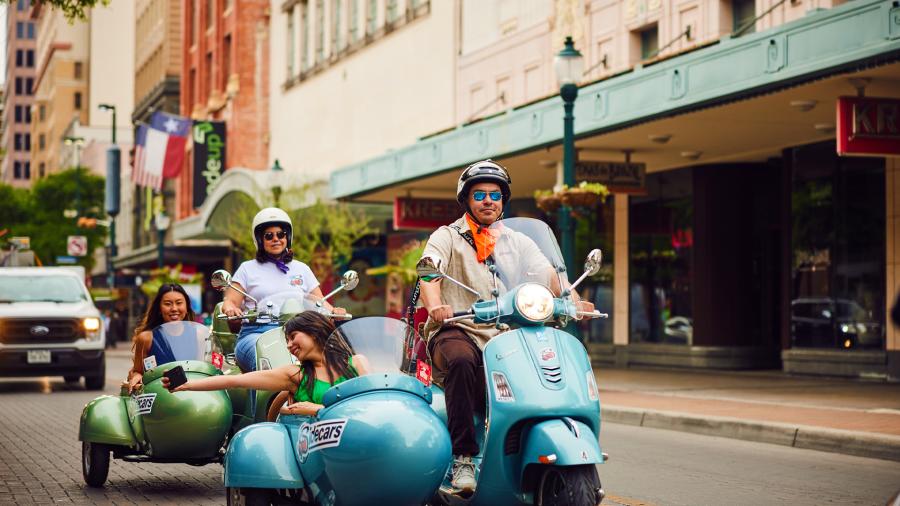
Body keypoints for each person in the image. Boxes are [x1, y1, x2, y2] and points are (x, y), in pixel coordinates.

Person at [418, 159, 593, 494]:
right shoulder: (447, 236)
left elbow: (550, 275)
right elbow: (429, 271)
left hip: (507, 334)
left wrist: (574, 300)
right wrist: (435, 305)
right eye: (480, 194)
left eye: (495, 195)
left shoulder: (516, 240)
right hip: (459, 328)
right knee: (461, 360)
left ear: (503, 201)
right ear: (467, 200)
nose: (488, 200)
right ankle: (463, 457)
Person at [165, 311, 370, 418]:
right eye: (286, 340)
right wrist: (187, 384)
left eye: (293, 337)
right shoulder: (295, 375)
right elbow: (235, 381)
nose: (288, 345)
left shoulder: (357, 362)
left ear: (315, 331)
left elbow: (371, 405)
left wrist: (317, 409)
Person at [220, 207, 338, 372]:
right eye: (269, 236)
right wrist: (230, 308)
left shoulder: (301, 268)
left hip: (299, 332)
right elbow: (231, 300)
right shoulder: (247, 268)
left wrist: (335, 311)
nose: (276, 239)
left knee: (333, 358)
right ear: (259, 240)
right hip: (257, 333)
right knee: (265, 360)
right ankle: (264, 390)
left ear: (287, 237)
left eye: (281, 234)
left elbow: (320, 302)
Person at [127, 284, 196, 394]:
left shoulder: (198, 334)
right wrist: (136, 376)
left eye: (179, 303)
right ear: (159, 308)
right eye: (168, 304)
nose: (174, 308)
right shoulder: (146, 338)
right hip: (161, 397)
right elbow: (137, 371)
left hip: (194, 395)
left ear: (187, 307)